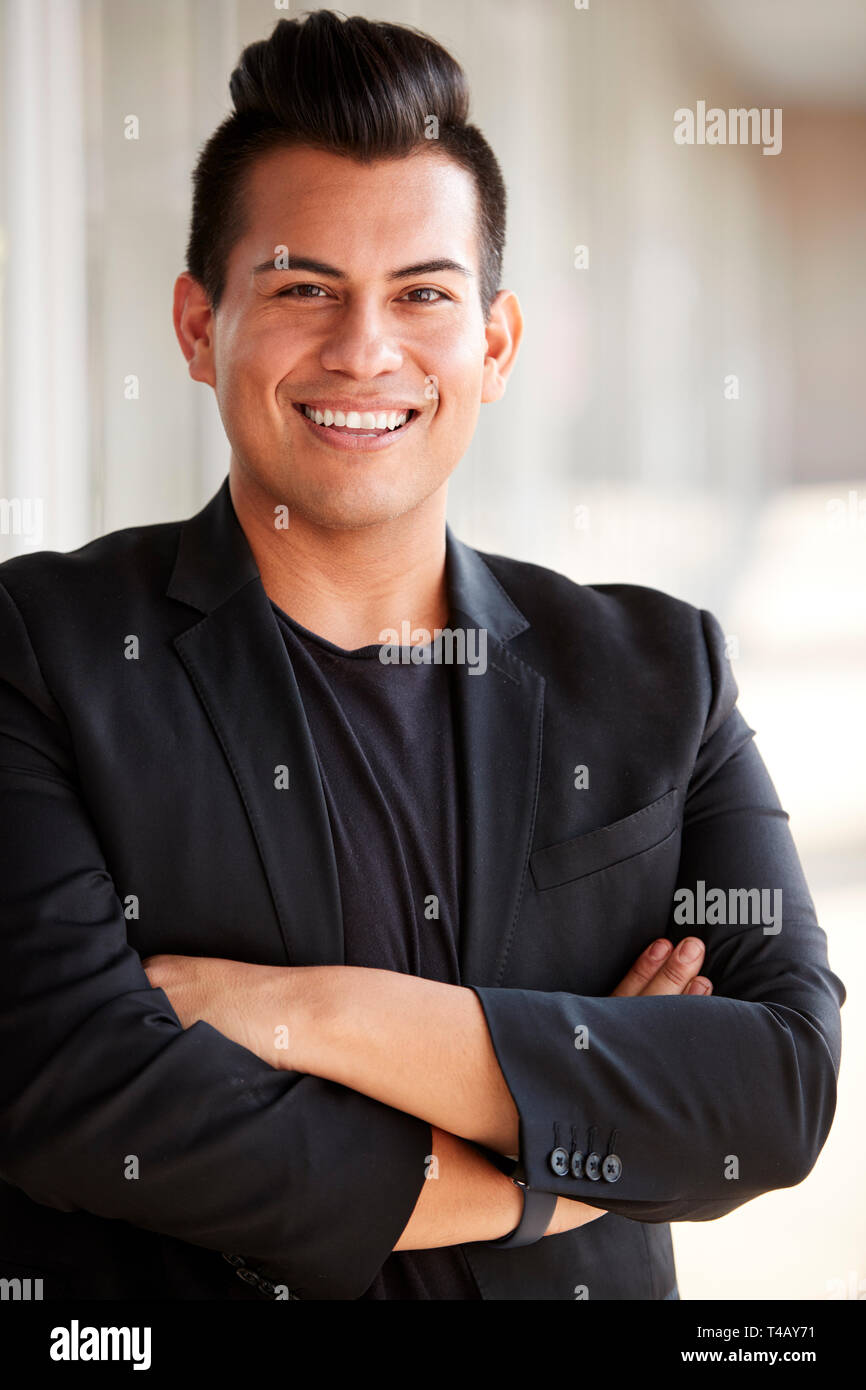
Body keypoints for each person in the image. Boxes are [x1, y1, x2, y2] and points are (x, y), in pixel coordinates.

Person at [0, 10, 844, 1301]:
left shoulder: (655, 665)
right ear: (195, 324)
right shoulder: (42, 646)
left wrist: (307, 1013)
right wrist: (554, 1163)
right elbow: (71, 1084)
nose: (362, 350)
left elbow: (776, 1084)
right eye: (301, 289)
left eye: (421, 295)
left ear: (492, 343)